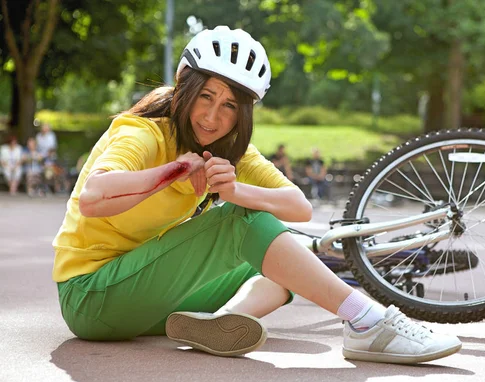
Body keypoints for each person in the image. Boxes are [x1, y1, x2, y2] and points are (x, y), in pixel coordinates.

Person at [52, 26, 461, 364]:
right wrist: (173, 171)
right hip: (92, 296)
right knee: (240, 221)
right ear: (184, 89)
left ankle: (220, 322)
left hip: (146, 294)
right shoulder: (143, 133)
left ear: (243, 113)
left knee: (290, 265)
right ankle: (367, 321)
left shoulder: (232, 150)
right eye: (206, 97)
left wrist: (233, 188)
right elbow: (93, 196)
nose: (213, 117)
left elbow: (298, 206)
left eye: (230, 105)